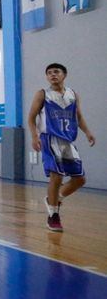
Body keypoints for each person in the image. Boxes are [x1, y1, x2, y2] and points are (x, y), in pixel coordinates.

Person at [27, 62, 96, 232]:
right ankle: (53, 215)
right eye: (49, 72)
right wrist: (35, 136)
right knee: (56, 175)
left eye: (56, 72)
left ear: (64, 75)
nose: (52, 74)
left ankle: (54, 198)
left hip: (67, 140)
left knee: (80, 179)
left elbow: (78, 117)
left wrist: (88, 132)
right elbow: (31, 117)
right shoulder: (43, 94)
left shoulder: (73, 94)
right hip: (49, 138)